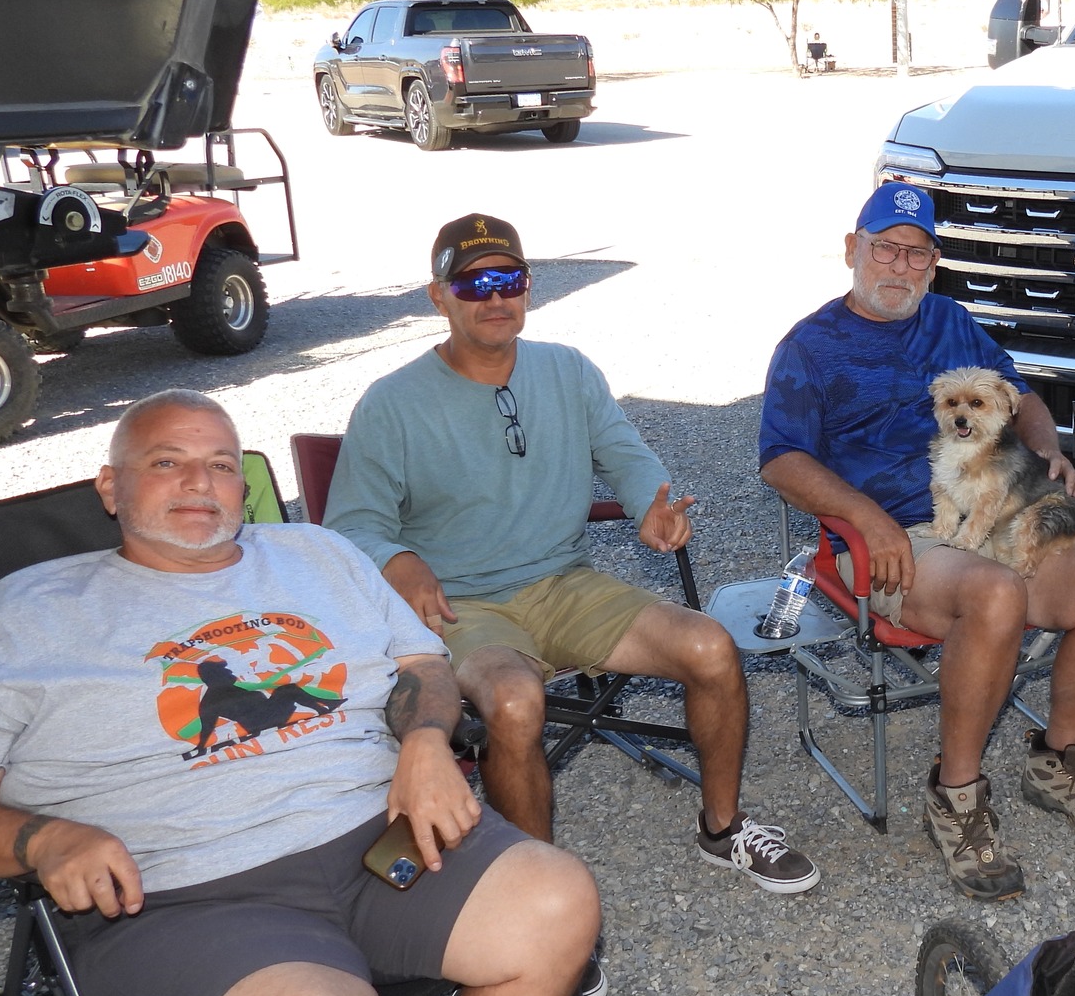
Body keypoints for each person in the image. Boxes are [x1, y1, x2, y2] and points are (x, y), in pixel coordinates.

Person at [0, 391, 600, 996]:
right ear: (109, 487)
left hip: (386, 840)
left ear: (242, 491)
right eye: (166, 461)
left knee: (556, 900)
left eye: (221, 464)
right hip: (180, 896)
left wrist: (428, 742)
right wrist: (46, 840)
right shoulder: (8, 623)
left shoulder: (317, 553)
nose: (198, 482)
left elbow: (422, 664)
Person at [326, 213, 818, 895]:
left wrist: (651, 500)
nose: (495, 297)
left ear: (529, 288)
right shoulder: (392, 404)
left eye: (510, 279)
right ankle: (536, 897)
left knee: (710, 646)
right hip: (462, 602)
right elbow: (351, 524)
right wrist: (397, 559)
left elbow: (622, 450)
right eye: (472, 283)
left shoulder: (566, 370)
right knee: (514, 701)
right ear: (437, 296)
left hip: (564, 583)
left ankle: (723, 828)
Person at [759, 183, 1075, 901]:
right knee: (994, 595)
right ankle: (956, 795)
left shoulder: (950, 321)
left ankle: (1060, 759)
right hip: (889, 537)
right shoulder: (809, 347)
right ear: (853, 249)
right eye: (885, 249)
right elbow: (781, 458)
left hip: (997, 512)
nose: (899, 267)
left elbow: (1021, 394)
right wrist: (866, 518)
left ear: (933, 265)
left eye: (916, 254)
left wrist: (1044, 450)